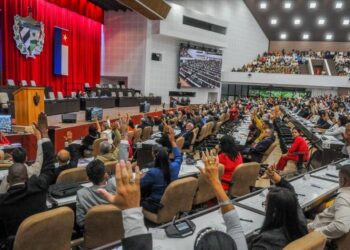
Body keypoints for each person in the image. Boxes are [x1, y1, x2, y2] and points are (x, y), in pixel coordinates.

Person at [0, 113, 56, 247]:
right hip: (41, 241)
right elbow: (49, 165)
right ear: (27, 178)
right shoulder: (38, 185)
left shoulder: (2, 202)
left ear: (8, 179)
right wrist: (43, 133)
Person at [249, 165, 308, 249]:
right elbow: (290, 190)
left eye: (265, 204)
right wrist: (273, 175)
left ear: (274, 211)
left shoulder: (265, 241)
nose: (265, 206)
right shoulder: (300, 222)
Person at [140, 127, 182, 212]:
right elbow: (178, 157)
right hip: (170, 202)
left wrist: (139, 177)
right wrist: (172, 141)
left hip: (155, 204)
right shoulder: (175, 166)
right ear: (168, 156)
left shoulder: (152, 173)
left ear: (154, 155)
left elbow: (140, 186)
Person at [307, 163, 350, 239]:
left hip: (318, 230)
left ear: (343, 180)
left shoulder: (343, 198)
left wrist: (316, 232)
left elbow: (341, 227)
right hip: (325, 222)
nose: (339, 180)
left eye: (339, 178)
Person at [76, 159, 116, 228]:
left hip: (95, 235)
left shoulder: (81, 194)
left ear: (88, 179)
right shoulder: (116, 185)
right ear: (105, 175)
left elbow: (80, 222)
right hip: (118, 232)